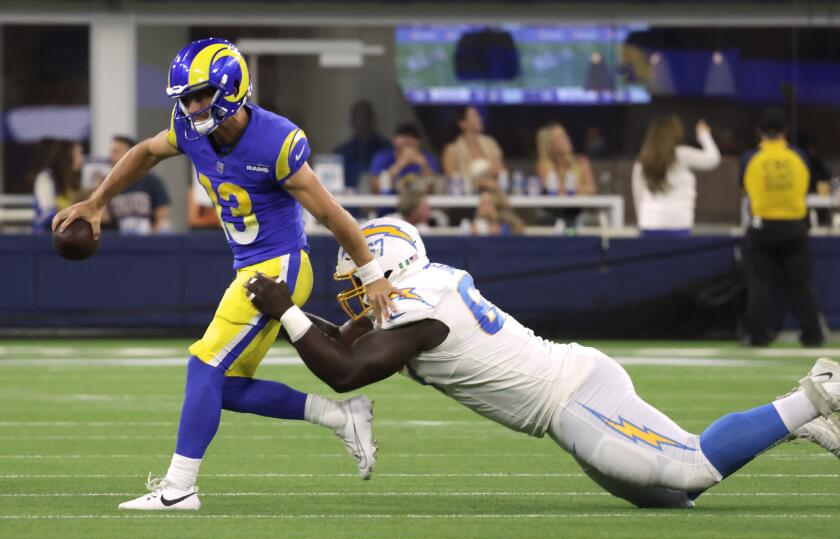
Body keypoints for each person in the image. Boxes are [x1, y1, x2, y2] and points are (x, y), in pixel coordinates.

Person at [244, 217, 840, 509]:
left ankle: (813, 395)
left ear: (392, 273)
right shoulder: (420, 292)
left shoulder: (421, 312)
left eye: (364, 279)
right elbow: (343, 345)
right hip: (568, 398)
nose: (355, 292)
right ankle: (799, 422)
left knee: (691, 468)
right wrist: (280, 313)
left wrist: (285, 312)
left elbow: (345, 373)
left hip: (573, 399)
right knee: (666, 502)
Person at [52, 38, 399, 510]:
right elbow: (145, 152)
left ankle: (179, 489)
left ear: (232, 88)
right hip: (250, 267)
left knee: (203, 364)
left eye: (201, 95)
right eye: (186, 97)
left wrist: (372, 273)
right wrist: (96, 202)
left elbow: (333, 214)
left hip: (279, 267)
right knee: (226, 386)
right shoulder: (190, 128)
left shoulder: (276, 141)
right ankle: (342, 417)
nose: (192, 106)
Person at [740, 108, 824, 348]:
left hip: (762, 227)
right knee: (800, 284)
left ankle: (758, 336)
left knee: (759, 284)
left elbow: (744, 188)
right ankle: (812, 334)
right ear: (785, 131)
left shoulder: (750, 158)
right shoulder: (798, 156)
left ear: (760, 131)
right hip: (794, 228)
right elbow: (806, 185)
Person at [632, 116, 720, 237]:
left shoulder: (642, 161)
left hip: (648, 224)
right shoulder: (681, 155)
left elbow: (638, 198)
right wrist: (704, 135)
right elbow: (713, 159)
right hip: (678, 225)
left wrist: (642, 222)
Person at [104, 136, 171, 234]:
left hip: (147, 239)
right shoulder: (106, 184)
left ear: (130, 155)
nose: (111, 157)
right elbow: (105, 218)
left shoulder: (151, 181)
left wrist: (154, 240)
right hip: (118, 241)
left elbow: (162, 212)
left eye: (116, 152)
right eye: (111, 152)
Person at [442, 106, 504, 193]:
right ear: (462, 123)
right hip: (464, 200)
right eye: (475, 116)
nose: (480, 118)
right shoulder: (452, 150)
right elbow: (451, 180)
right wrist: (479, 183)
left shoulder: (491, 144)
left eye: (478, 115)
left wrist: (493, 172)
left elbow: (501, 169)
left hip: (493, 195)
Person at [333, 100, 391, 190]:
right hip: (349, 202)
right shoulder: (341, 152)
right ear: (352, 122)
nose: (363, 122)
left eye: (366, 118)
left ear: (373, 120)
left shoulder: (387, 150)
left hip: (381, 202)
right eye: (359, 118)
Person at [368, 123, 440, 194]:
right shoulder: (383, 157)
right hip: (388, 204)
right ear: (394, 139)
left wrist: (424, 166)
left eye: (413, 137)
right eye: (403, 135)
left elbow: (433, 190)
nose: (408, 140)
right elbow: (375, 188)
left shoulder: (427, 158)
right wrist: (399, 165)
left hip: (418, 204)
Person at [31, 139, 84, 232]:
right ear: (67, 156)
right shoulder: (46, 177)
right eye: (79, 154)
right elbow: (47, 215)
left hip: (67, 237)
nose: (82, 160)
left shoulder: (73, 182)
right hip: (45, 239)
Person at [535, 123, 596, 195]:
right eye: (559, 137)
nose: (567, 139)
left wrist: (568, 190)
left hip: (579, 205)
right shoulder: (544, 164)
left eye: (565, 135)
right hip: (554, 205)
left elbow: (592, 189)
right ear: (549, 144)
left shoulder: (581, 161)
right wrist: (577, 189)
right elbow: (554, 190)